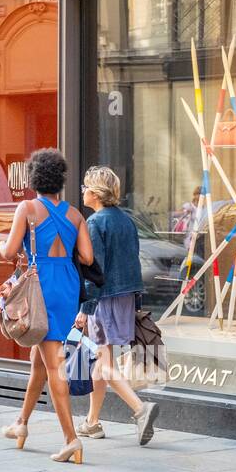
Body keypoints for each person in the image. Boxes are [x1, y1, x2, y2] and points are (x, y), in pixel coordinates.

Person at [0, 148, 93, 464]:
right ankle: (21, 423)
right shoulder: (76, 214)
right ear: (60, 180)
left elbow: (10, 250)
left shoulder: (26, 208)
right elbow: (88, 258)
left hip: (41, 285)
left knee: (54, 365)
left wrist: (0, 244)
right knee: (40, 356)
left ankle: (71, 440)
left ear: (34, 178)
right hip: (65, 285)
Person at [74, 166, 160, 445]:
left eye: (85, 186)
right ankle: (92, 422)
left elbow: (94, 271)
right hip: (124, 296)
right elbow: (133, 261)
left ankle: (140, 409)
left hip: (104, 298)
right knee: (103, 358)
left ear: (95, 193)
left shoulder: (95, 224)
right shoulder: (126, 221)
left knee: (105, 361)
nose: (82, 191)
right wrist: (136, 302)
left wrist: (85, 310)